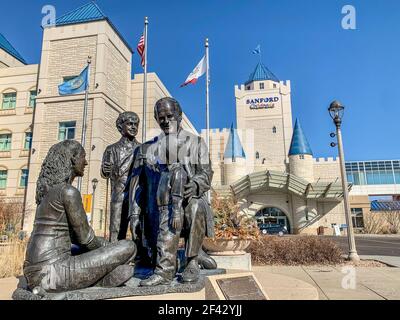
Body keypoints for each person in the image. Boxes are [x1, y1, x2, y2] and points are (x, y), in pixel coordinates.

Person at [23, 140, 136, 293]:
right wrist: (112, 249)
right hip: (53, 274)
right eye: (83, 157)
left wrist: (105, 247)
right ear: (73, 159)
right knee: (128, 246)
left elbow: (75, 239)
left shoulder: (46, 192)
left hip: (34, 272)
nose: (86, 162)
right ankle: (101, 280)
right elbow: (86, 239)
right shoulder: (68, 192)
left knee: (111, 256)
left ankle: (103, 278)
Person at [129, 97, 215, 287]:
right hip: (158, 206)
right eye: (161, 117)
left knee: (195, 205)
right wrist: (134, 213)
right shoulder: (148, 148)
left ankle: (191, 260)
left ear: (180, 116)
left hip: (187, 199)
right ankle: (168, 263)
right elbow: (138, 185)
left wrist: (195, 186)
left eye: (170, 116)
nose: (166, 121)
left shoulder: (196, 143)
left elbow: (206, 173)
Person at [101, 112, 140, 243]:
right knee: (116, 228)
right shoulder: (111, 149)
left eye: (136, 124)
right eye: (129, 124)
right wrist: (105, 170)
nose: (133, 127)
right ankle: (115, 254)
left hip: (137, 195)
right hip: (118, 193)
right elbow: (106, 174)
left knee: (137, 227)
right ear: (120, 126)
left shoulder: (142, 149)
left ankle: (139, 255)